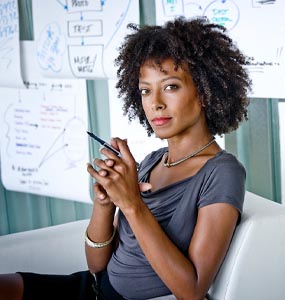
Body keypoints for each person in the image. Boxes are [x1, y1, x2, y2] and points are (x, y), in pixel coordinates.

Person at [0, 16, 251, 300]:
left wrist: (132, 203)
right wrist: (105, 203)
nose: (155, 102)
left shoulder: (222, 172)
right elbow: (97, 266)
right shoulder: (151, 162)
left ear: (204, 92)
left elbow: (191, 291)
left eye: (170, 87)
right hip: (94, 289)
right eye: (145, 90)